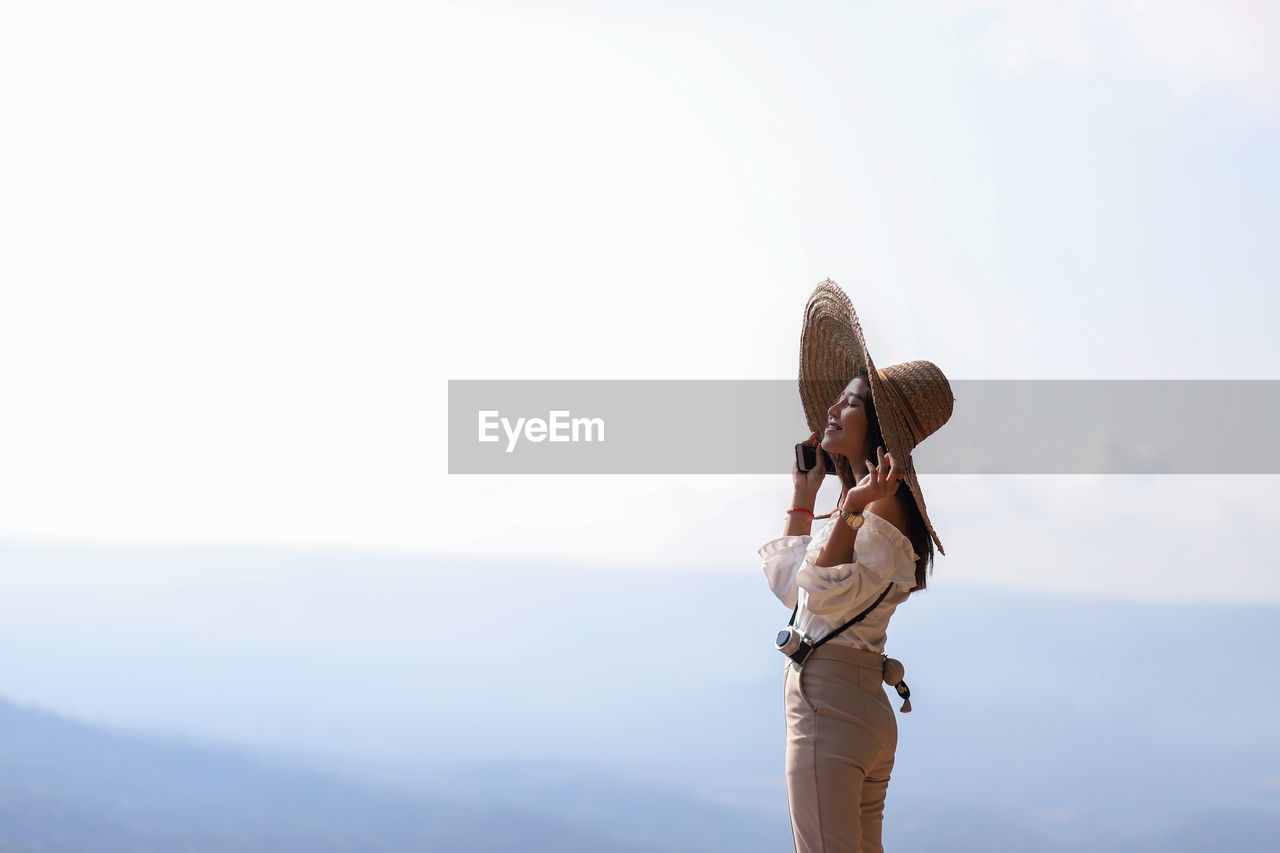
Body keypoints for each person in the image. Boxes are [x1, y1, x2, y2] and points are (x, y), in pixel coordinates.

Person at [759, 280, 955, 853]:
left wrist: (845, 509)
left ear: (878, 424)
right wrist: (805, 492)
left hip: (831, 704)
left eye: (849, 401)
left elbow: (815, 599)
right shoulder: (875, 506)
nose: (831, 408)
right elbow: (791, 587)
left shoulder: (877, 507)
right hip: (859, 702)